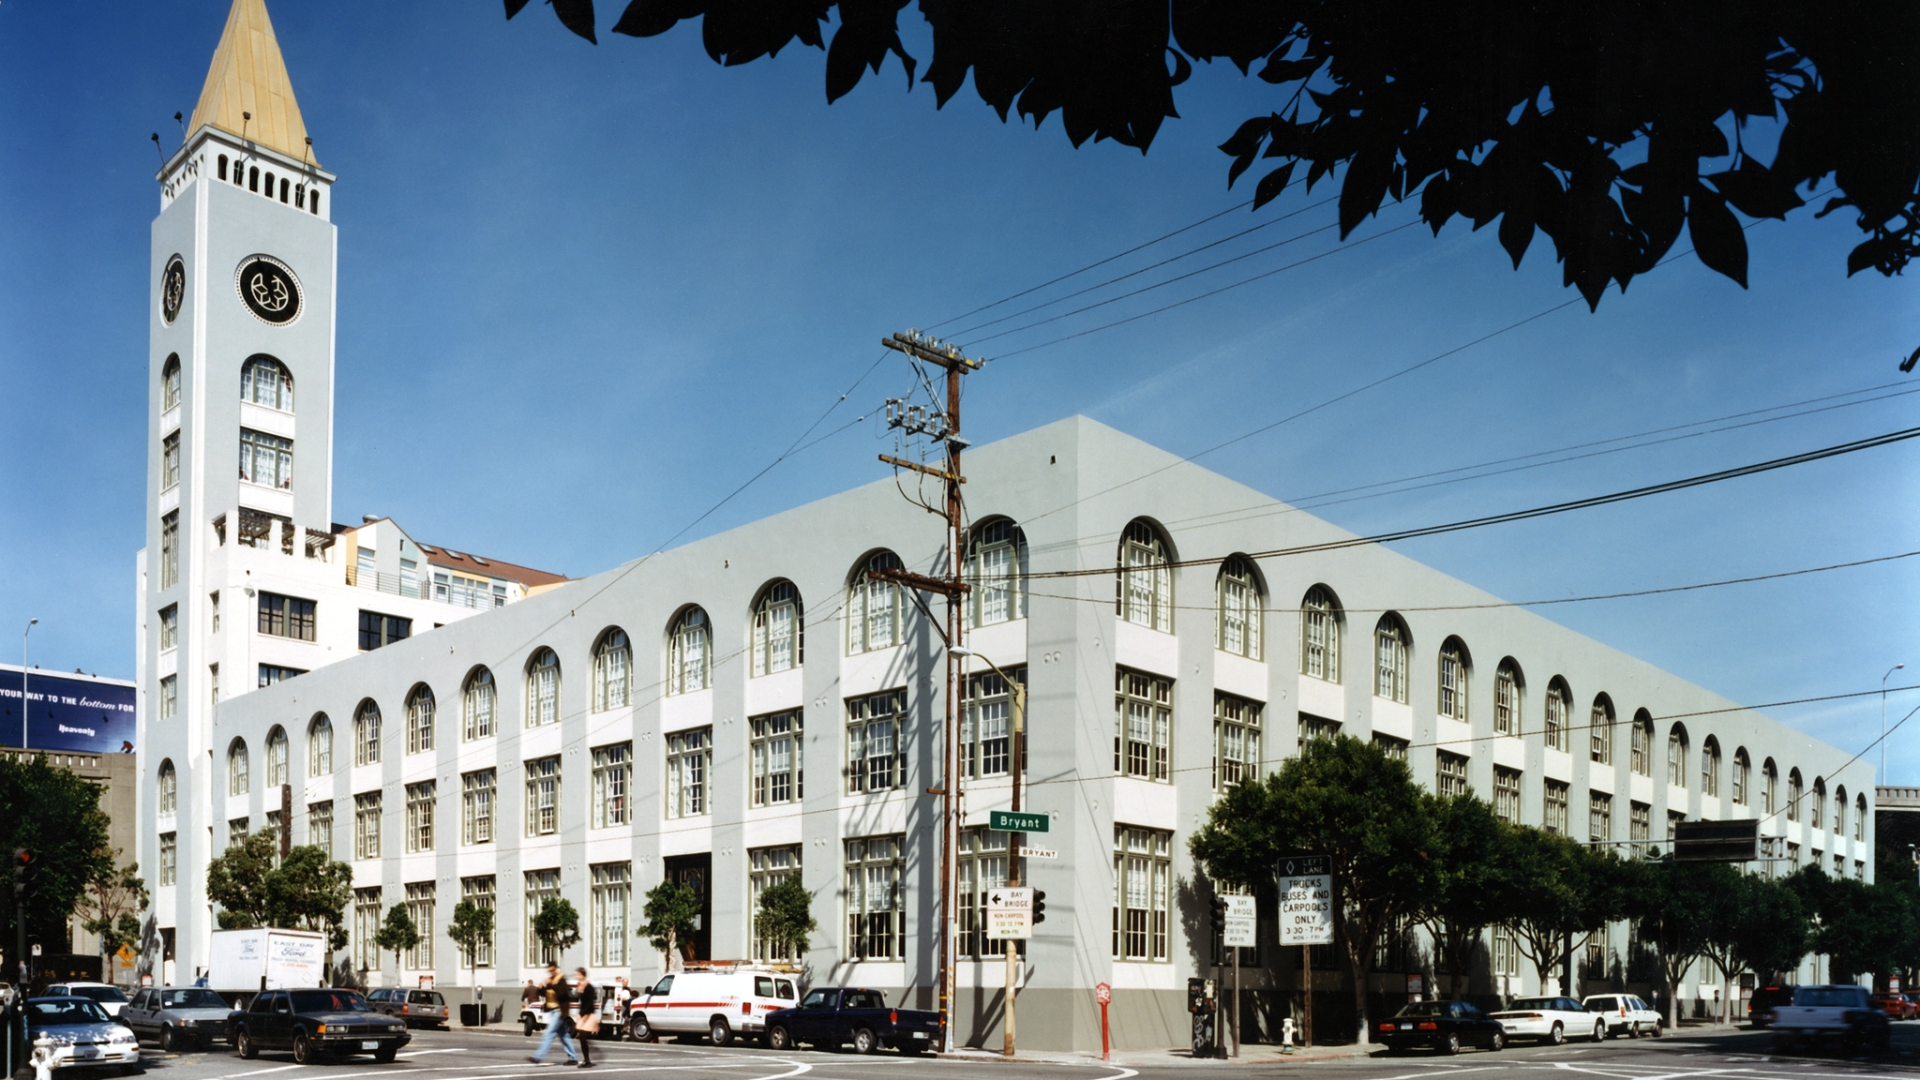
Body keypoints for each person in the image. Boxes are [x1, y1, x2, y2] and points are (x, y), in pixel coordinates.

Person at [528, 963, 578, 1066]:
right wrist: (541, 989)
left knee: (549, 1033)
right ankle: (573, 1058)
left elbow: (562, 994)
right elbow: (547, 993)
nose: (551, 972)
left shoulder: (561, 979)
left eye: (553, 970)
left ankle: (538, 1057)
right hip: (552, 1010)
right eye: (549, 971)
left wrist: (550, 984)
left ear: (556, 969)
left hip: (559, 1011)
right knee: (564, 1035)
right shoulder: (551, 980)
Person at [572, 969, 599, 1068]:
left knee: (582, 1036)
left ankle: (587, 1061)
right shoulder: (581, 986)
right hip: (584, 1014)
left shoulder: (589, 987)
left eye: (577, 974)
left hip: (588, 1014)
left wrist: (582, 1014)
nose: (576, 976)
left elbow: (589, 1003)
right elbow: (582, 1001)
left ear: (582, 975)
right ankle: (586, 1060)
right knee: (582, 1037)